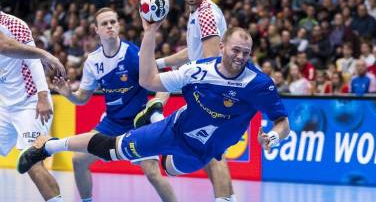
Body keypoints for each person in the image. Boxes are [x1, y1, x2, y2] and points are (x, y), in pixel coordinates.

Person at [17, 26, 290, 202]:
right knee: (110, 149)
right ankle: (49, 147)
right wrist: (150, 32)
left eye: (246, 52)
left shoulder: (259, 84)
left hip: (200, 152)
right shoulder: (197, 71)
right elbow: (150, 82)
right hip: (173, 130)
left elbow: (282, 122)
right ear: (222, 48)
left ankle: (154, 116)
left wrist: (275, 138)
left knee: (167, 168)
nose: (241, 57)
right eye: (235, 50)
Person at [50, 8, 177, 202]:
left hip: (139, 123)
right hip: (111, 124)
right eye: (104, 23)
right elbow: (83, 98)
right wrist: (68, 94)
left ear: (118, 25)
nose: (109, 26)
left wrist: (157, 105)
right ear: (96, 30)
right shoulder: (93, 61)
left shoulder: (134, 54)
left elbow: (165, 83)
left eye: (113, 22)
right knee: (78, 160)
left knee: (153, 173)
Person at [153, 0, 233, 201]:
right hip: (207, 91)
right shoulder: (197, 12)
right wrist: (158, 63)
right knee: (208, 152)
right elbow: (193, 51)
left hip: (213, 93)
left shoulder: (206, 14)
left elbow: (210, 60)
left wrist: (178, 77)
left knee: (213, 153)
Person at [0, 11, 65, 202]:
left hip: (30, 104)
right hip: (5, 108)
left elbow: (33, 61)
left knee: (33, 162)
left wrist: (43, 96)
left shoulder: (13, 24)